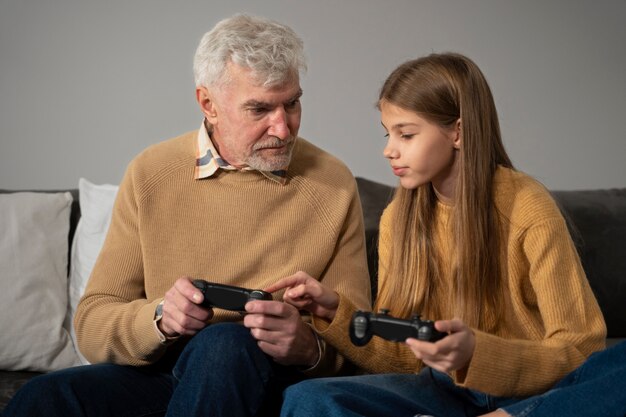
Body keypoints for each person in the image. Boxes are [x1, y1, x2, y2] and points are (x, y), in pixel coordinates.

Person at [2, 14, 371, 417]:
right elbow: (92, 322)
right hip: (167, 371)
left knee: (225, 343)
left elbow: (357, 339)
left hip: (269, 380)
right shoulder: (151, 173)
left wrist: (307, 347)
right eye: (259, 109)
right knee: (45, 397)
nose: (283, 129)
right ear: (208, 104)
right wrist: (161, 318)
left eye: (292, 104)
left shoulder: (332, 183)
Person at [266, 52, 610, 417]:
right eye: (388, 133)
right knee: (308, 399)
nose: (388, 150)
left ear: (457, 132)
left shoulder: (528, 209)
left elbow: (581, 352)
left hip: (524, 395)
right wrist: (336, 314)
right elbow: (405, 358)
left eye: (407, 134)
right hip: (441, 390)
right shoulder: (399, 216)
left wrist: (476, 354)